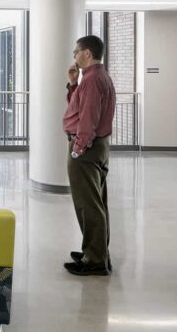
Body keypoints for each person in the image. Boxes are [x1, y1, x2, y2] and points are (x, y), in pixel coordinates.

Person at [62, 35, 116, 277]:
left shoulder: (93, 80)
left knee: (88, 205)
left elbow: (88, 119)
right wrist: (74, 84)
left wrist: (78, 148)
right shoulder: (95, 77)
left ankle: (95, 259)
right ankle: (96, 252)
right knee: (97, 202)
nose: (74, 56)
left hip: (87, 149)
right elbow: (78, 107)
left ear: (87, 53)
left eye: (76, 52)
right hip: (98, 147)